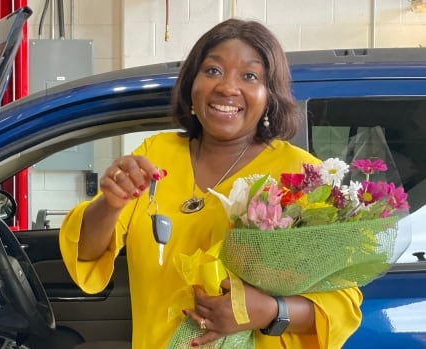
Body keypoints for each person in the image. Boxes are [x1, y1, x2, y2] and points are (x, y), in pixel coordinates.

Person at [59, 18, 362, 348]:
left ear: (269, 94)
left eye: (249, 76)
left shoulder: (301, 174)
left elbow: (343, 303)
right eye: (213, 71)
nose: (227, 87)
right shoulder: (156, 154)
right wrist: (110, 204)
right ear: (192, 84)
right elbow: (87, 254)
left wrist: (268, 312)